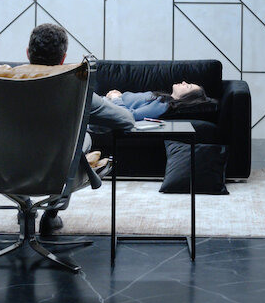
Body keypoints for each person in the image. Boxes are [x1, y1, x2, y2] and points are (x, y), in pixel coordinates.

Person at [25, 23, 134, 234]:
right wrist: (115, 100)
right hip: (55, 171)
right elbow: (126, 121)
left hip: (4, 170)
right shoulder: (78, 88)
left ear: (28, 53)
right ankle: (52, 213)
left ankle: (25, 208)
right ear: (63, 58)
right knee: (83, 139)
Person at [103, 83, 212, 121]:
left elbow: (129, 116)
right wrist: (119, 95)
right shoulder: (161, 97)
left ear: (187, 98)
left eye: (187, 86)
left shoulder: (162, 106)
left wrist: (116, 98)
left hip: (105, 109)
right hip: (106, 102)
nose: (184, 82)